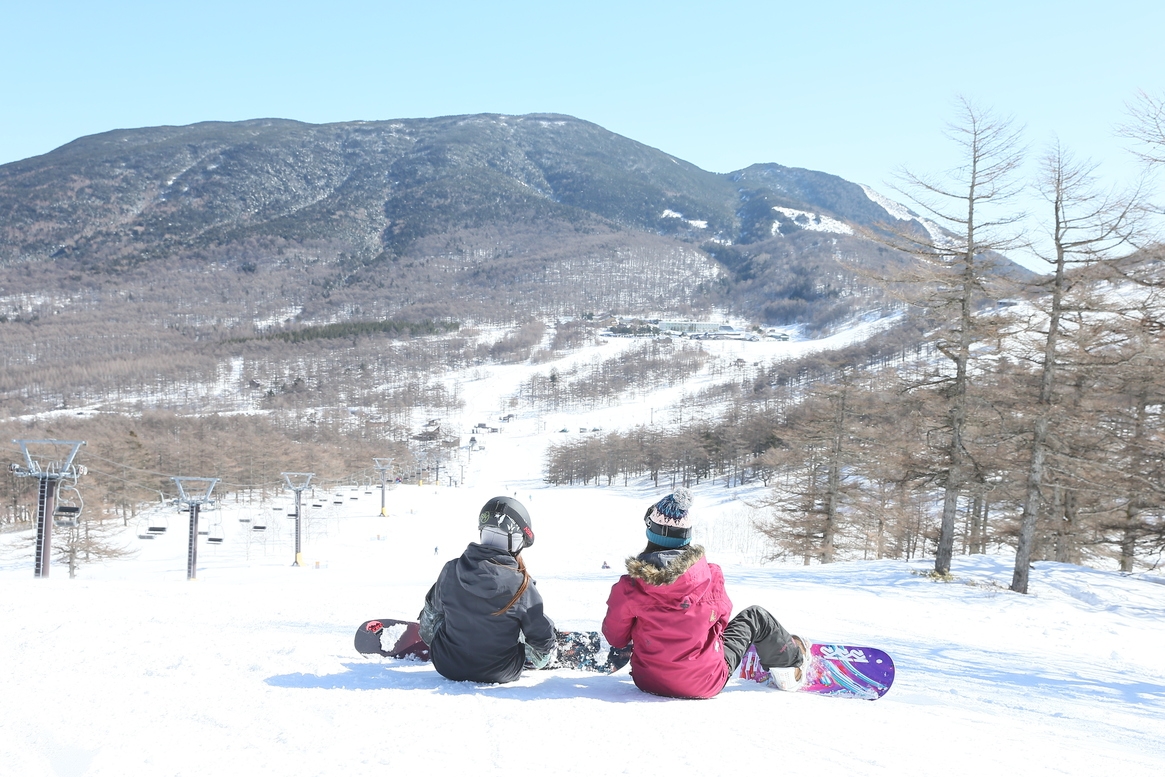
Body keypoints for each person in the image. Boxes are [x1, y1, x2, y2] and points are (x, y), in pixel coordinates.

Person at [602, 488, 805, 699]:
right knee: (756, 616)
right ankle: (789, 667)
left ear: (650, 533)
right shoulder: (711, 576)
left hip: (647, 680)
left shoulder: (629, 586)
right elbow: (721, 624)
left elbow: (616, 638)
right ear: (687, 536)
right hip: (705, 683)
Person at [418, 496, 556, 683]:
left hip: (446, 664)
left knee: (439, 609)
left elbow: (432, 613)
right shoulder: (522, 584)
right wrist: (545, 649)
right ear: (516, 541)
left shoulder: (451, 569)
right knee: (525, 622)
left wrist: (432, 636)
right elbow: (541, 640)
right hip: (501, 671)